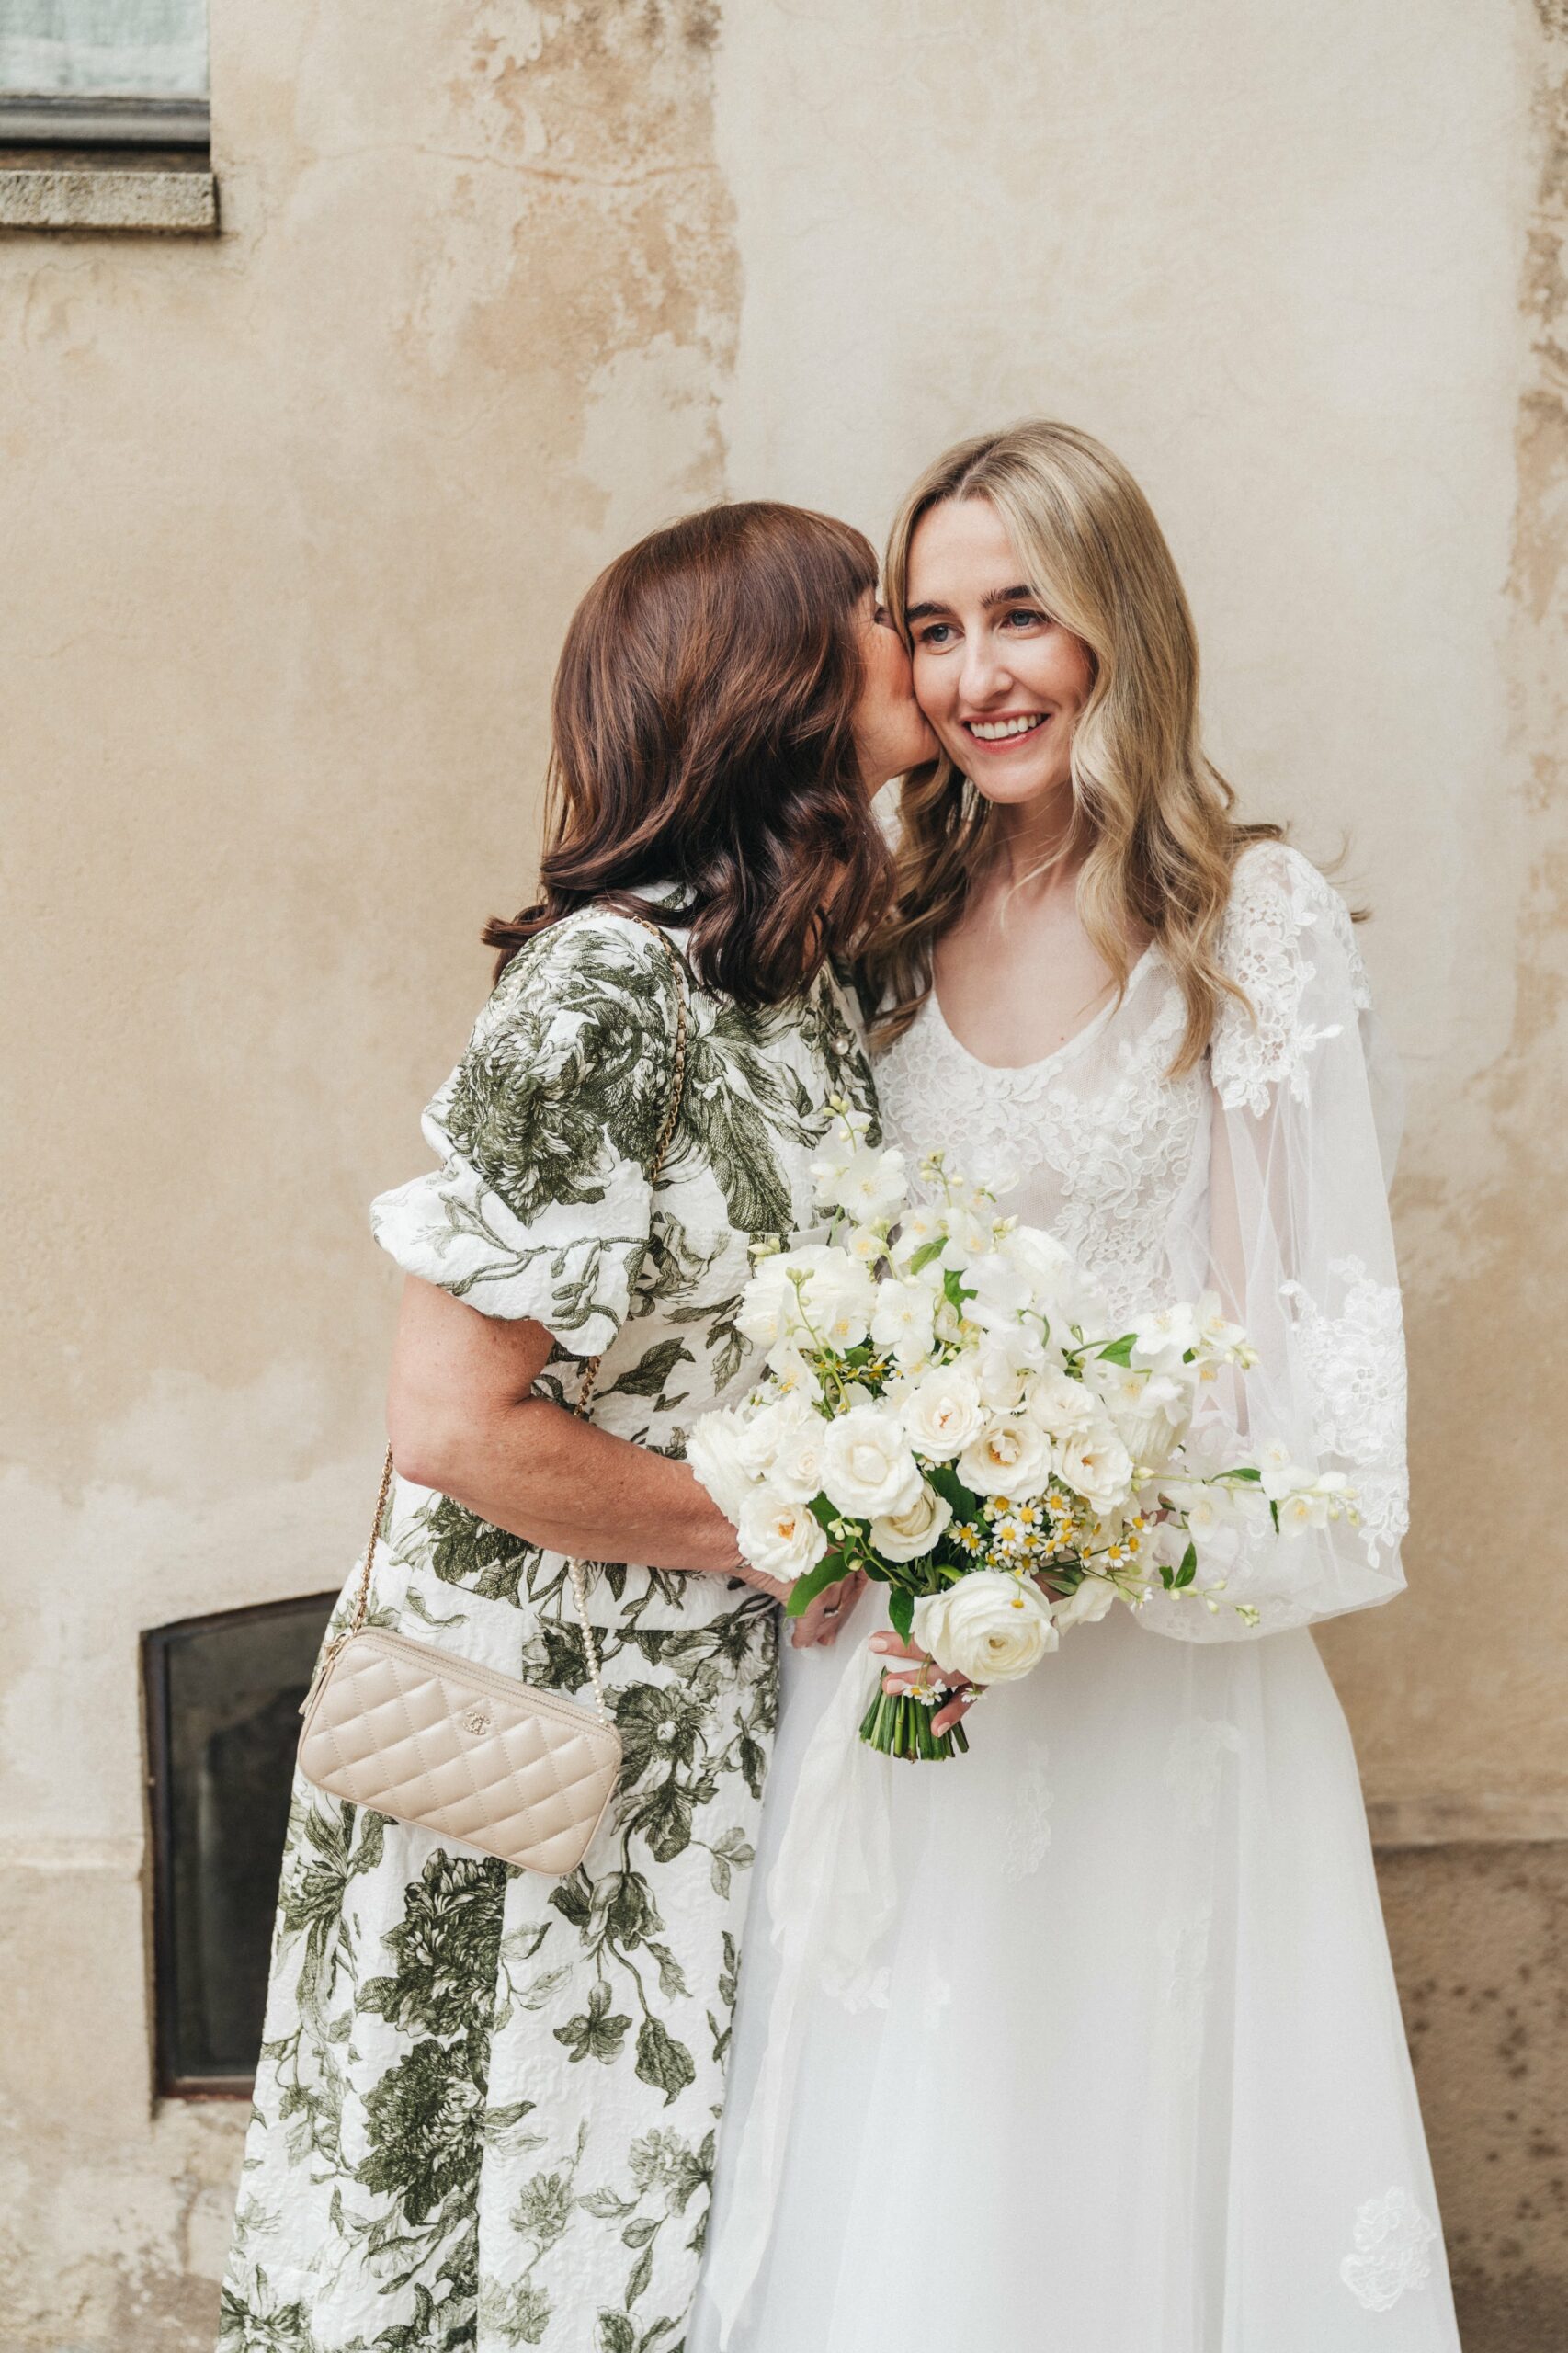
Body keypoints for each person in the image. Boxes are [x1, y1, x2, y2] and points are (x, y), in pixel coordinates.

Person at [691, 425, 1461, 2351]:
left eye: (1021, 613)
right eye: (933, 626)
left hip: (1151, 1690)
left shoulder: (1247, 922)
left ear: (1120, 619)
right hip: (895, 1675)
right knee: (910, 2180)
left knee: (1121, 2165)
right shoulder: (876, 918)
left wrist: (1060, 1539)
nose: (975, 675)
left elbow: (1315, 1397)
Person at [217, 499, 935, 2353]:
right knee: (494, 2219)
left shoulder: (798, 987)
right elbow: (454, 1423)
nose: (913, 633)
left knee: (635, 2219)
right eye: (877, 608)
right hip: (526, 1735)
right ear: (776, 672)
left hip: (695, 1716)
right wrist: (777, 1531)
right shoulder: (610, 990)